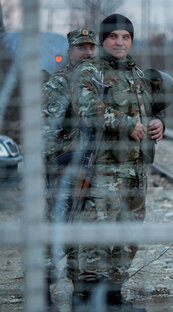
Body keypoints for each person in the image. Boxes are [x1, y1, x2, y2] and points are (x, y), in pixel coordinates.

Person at [69, 14, 164, 312]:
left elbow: (148, 111)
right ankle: (86, 299)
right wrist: (125, 123)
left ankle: (112, 296)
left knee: (128, 235)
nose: (120, 42)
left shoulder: (137, 74)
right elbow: (86, 109)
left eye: (125, 36)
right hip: (102, 170)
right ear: (103, 40)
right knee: (96, 237)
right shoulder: (89, 71)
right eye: (113, 37)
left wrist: (158, 123)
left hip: (135, 170)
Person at [41, 27, 99, 312]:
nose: (88, 53)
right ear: (71, 50)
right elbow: (45, 132)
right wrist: (58, 162)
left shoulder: (99, 82)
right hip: (64, 172)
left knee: (83, 234)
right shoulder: (58, 84)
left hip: (92, 171)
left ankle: (81, 295)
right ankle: (41, 292)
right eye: (82, 48)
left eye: (91, 48)